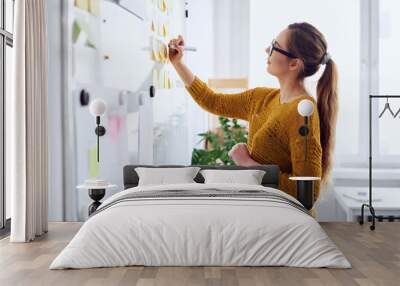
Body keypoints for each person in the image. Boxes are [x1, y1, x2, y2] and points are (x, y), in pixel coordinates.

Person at [169, 22, 338, 212]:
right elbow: (213, 101)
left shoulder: (302, 112)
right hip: (264, 211)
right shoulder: (262, 98)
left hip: (286, 222)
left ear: (294, 63)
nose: (268, 49)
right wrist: (178, 63)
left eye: (275, 47)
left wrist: (249, 164)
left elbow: (307, 193)